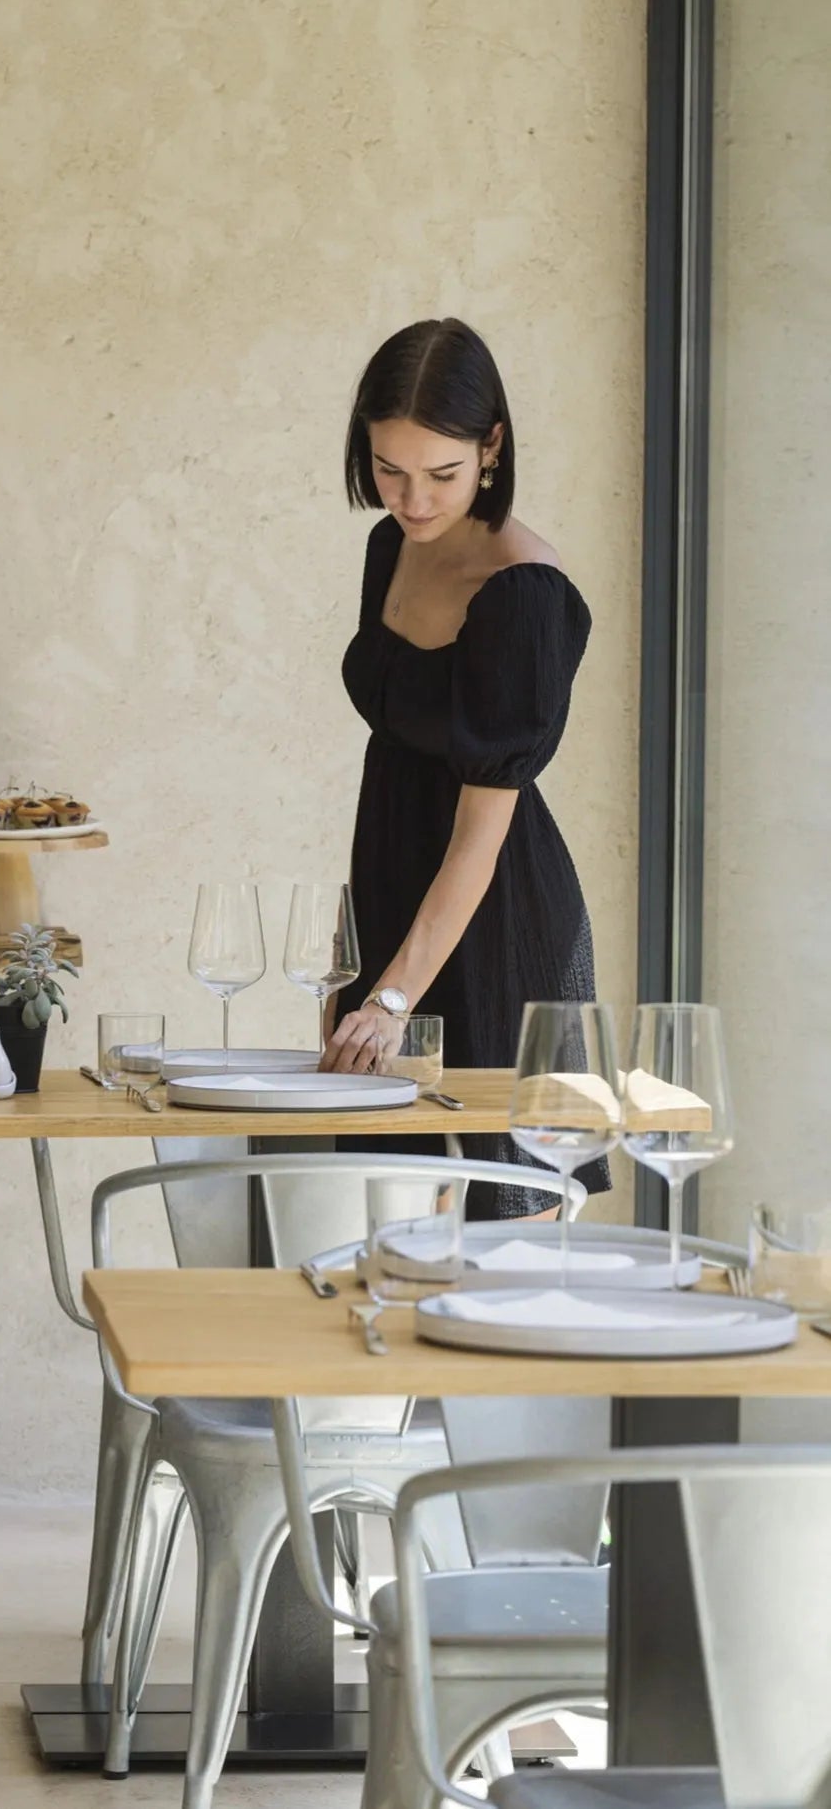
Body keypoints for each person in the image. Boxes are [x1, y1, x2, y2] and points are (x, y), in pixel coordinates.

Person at [322, 317, 608, 1220]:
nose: (412, 500)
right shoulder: (390, 546)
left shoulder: (523, 592)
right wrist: (357, 966)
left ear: (492, 447)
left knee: (503, 1226)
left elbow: (482, 837)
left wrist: (395, 989)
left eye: (440, 474)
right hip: (394, 890)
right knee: (382, 1225)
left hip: (488, 917)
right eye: (389, 469)